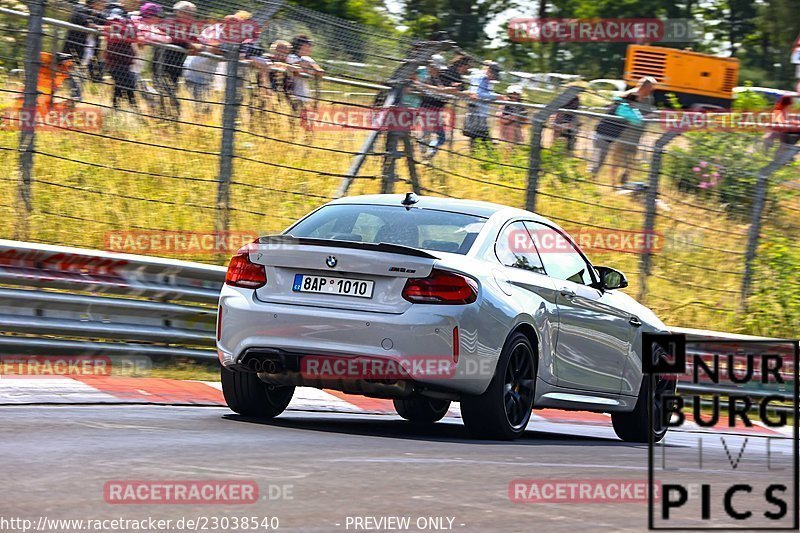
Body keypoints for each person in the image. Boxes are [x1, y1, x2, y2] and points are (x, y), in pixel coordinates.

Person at [589, 76, 655, 183]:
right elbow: (636, 118)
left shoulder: (646, 99)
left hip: (629, 136)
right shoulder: (629, 99)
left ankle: (620, 181)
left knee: (625, 161)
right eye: (651, 88)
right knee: (608, 160)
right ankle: (607, 182)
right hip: (616, 135)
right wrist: (647, 117)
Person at [152, 1, 201, 117]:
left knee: (171, 89)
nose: (191, 16)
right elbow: (171, 36)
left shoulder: (190, 25)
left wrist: (197, 46)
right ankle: (168, 117)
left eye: (192, 14)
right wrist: (189, 45)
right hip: (162, 62)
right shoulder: (169, 21)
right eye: (188, 13)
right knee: (165, 91)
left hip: (177, 63)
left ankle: (168, 117)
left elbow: (196, 41)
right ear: (178, 12)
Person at [61, 0, 105, 100]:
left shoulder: (99, 16)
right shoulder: (80, 10)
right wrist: (99, 27)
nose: (104, 4)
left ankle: (73, 100)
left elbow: (108, 25)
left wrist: (103, 27)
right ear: (93, 3)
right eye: (102, 2)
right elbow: (87, 23)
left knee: (80, 80)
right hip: (74, 52)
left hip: (88, 54)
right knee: (71, 79)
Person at [103, 6, 138, 109]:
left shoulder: (129, 25)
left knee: (121, 85)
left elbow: (133, 37)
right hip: (114, 60)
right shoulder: (110, 24)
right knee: (128, 85)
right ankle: (134, 109)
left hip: (125, 60)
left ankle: (116, 108)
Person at [464, 60, 503, 151]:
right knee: (484, 139)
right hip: (477, 113)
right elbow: (478, 94)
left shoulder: (480, 77)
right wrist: (497, 96)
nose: (494, 78)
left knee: (475, 138)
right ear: (489, 71)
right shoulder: (483, 78)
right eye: (493, 74)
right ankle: (489, 157)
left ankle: (475, 158)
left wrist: (493, 95)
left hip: (478, 112)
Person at [286, 35, 324, 115]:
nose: (310, 47)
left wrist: (307, 69)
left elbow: (320, 72)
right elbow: (298, 72)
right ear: (300, 45)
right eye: (308, 44)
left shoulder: (307, 58)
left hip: (304, 95)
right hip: (292, 94)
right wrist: (310, 70)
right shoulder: (291, 57)